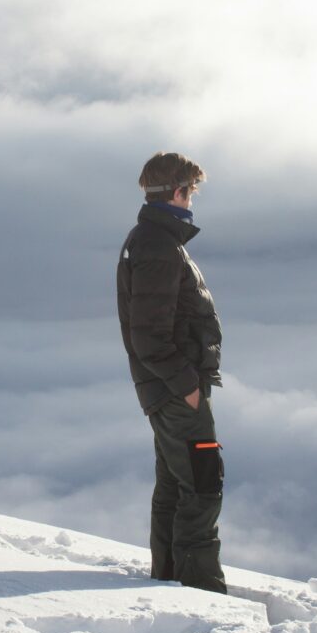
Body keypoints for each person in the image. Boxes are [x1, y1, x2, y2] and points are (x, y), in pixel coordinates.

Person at [116, 151, 227, 594]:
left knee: (175, 486)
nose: (192, 201)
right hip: (177, 393)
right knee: (201, 486)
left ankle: (168, 581)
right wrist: (188, 389)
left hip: (167, 391)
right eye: (191, 192)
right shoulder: (159, 247)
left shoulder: (152, 240)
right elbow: (150, 336)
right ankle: (201, 592)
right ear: (178, 192)